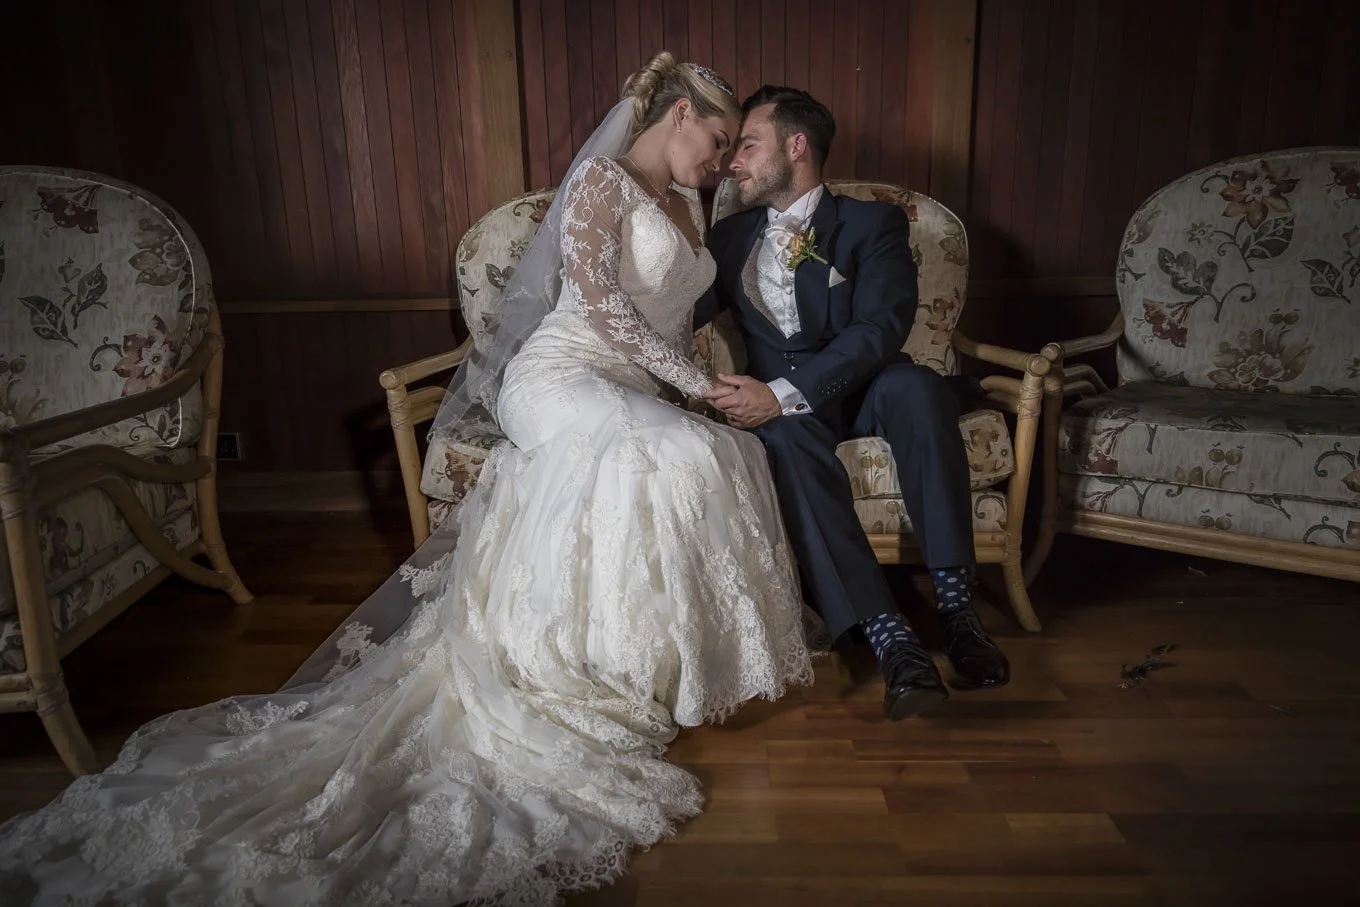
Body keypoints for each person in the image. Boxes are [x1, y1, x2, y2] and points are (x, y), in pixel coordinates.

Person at [0, 54, 813, 907]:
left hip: (633, 382)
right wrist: (693, 389)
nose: (722, 161)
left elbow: (671, 322)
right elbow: (605, 309)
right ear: (678, 114)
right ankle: (581, 669)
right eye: (718, 139)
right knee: (674, 450)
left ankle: (647, 663)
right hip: (565, 374)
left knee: (723, 452)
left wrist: (698, 390)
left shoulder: (691, 203)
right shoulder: (603, 184)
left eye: (731, 149)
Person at [699, 85, 1012, 721]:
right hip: (791, 417)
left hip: (864, 388)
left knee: (917, 386)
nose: (734, 162)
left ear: (796, 146)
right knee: (783, 441)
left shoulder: (873, 223)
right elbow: (674, 308)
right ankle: (890, 638)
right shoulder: (728, 239)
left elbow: (881, 327)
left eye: (749, 145)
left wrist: (783, 394)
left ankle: (956, 608)